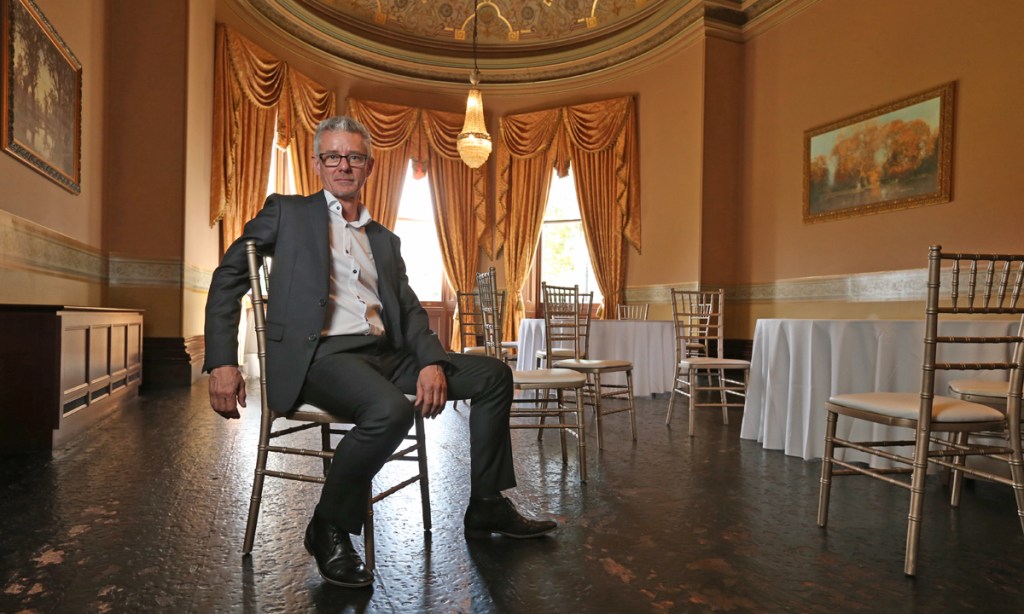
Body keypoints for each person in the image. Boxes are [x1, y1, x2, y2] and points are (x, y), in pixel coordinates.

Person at [203, 116, 556, 589]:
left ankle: (486, 504)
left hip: (385, 356)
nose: (343, 166)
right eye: (333, 156)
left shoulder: (385, 241)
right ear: (317, 163)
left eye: (353, 157)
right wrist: (223, 361)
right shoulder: (288, 212)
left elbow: (410, 312)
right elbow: (228, 277)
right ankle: (328, 526)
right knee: (389, 410)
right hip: (321, 358)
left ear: (369, 166)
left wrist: (431, 361)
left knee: (493, 375)